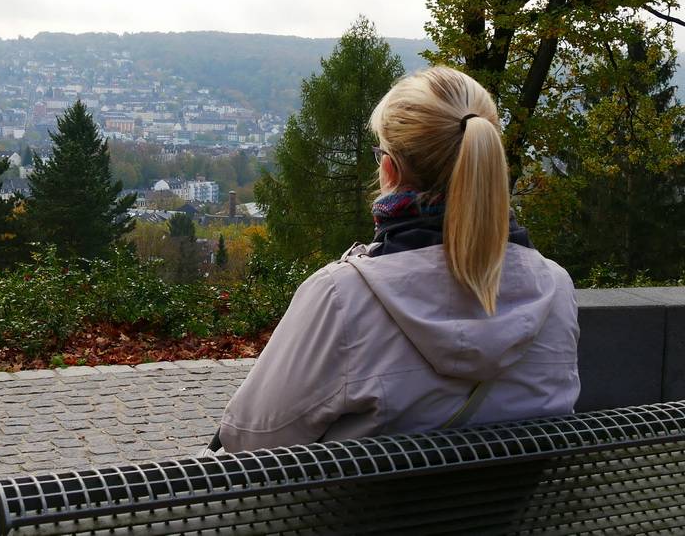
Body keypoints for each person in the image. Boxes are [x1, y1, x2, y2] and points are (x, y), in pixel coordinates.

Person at [216, 66, 579, 452]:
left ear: (389, 167)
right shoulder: (555, 287)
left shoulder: (343, 296)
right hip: (521, 512)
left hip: (365, 512)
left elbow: (249, 441)